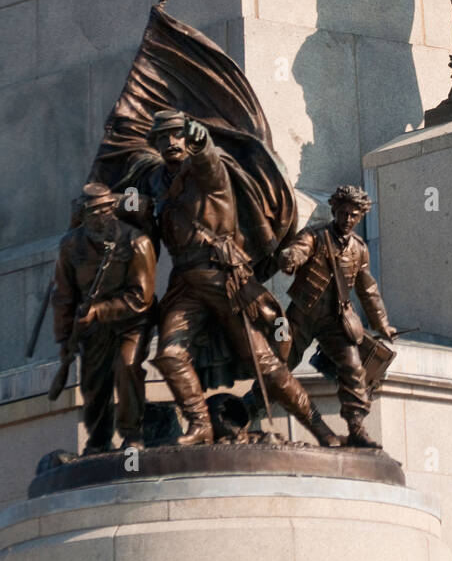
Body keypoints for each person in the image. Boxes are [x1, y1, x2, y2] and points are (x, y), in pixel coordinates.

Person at [140, 110, 340, 447]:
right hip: (185, 283)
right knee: (170, 354)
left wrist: (200, 140)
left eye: (176, 135)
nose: (170, 143)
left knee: (266, 365)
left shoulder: (208, 170)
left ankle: (322, 430)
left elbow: (206, 157)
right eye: (162, 138)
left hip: (225, 279)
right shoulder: (161, 183)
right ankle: (200, 424)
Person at [278, 186, 396, 449]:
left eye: (354, 215)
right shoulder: (316, 235)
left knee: (354, 369)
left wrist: (382, 324)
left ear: (360, 217)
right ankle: (247, 410)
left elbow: (368, 290)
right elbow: (298, 250)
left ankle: (356, 428)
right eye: (343, 213)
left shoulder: (359, 250)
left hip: (336, 320)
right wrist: (290, 258)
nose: (348, 219)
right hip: (303, 315)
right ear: (334, 211)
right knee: (280, 366)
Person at [52, 182, 156, 452]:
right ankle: (97, 442)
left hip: (132, 321)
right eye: (93, 213)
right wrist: (65, 338)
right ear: (83, 216)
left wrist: (99, 310)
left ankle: (132, 435)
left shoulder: (137, 242)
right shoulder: (70, 247)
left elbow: (141, 298)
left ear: (113, 210)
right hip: (93, 327)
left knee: (127, 365)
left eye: (105, 211)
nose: (101, 218)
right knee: (93, 382)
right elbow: (63, 295)